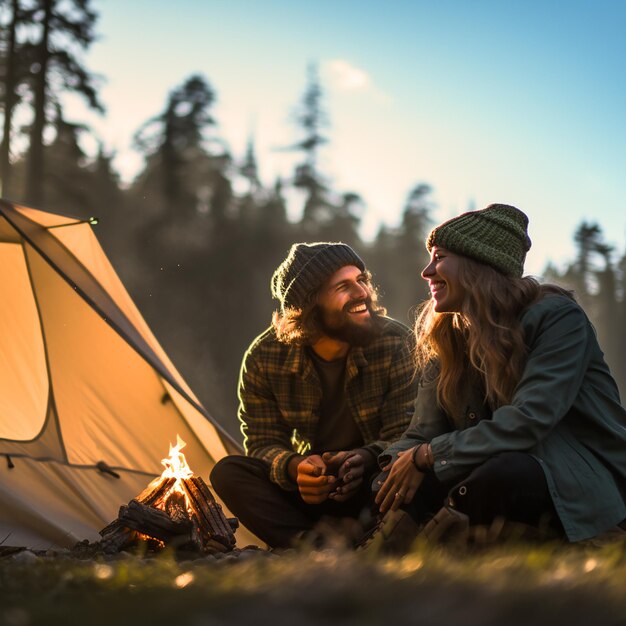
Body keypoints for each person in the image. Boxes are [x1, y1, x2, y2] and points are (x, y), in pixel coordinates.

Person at [374, 203, 626, 545]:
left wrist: (428, 456)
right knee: (387, 482)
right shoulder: (450, 336)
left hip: (573, 474)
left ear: (479, 263)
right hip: (486, 467)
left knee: (502, 476)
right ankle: (381, 556)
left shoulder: (557, 319)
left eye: (439, 256)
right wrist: (394, 463)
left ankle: (436, 551)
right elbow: (424, 432)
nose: (427, 271)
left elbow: (530, 417)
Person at [211, 242, 417, 548]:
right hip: (309, 491)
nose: (362, 292)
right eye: (344, 286)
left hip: (374, 483)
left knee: (412, 472)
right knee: (228, 473)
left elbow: (409, 433)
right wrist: (296, 468)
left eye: (362, 279)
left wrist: (365, 458)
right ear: (309, 304)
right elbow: (261, 442)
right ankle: (313, 548)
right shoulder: (264, 356)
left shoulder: (396, 342)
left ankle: (367, 539)